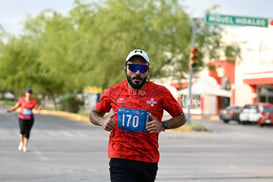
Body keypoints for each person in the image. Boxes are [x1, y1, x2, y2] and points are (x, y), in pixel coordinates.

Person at [89, 49, 187, 182]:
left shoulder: (161, 92)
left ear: (148, 71)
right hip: (120, 157)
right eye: (133, 67)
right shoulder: (114, 92)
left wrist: (163, 125)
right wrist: (102, 121)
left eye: (142, 68)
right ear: (125, 68)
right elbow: (93, 113)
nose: (137, 73)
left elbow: (181, 117)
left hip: (148, 159)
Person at [6, 88, 42, 152]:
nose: (29, 94)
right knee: (22, 130)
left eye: (30, 93)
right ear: (26, 93)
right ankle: (21, 142)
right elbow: (15, 107)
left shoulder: (33, 101)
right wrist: (9, 110)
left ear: (31, 94)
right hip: (22, 118)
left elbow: (36, 111)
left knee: (27, 132)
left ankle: (25, 145)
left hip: (30, 119)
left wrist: (39, 109)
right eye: (28, 93)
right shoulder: (21, 100)